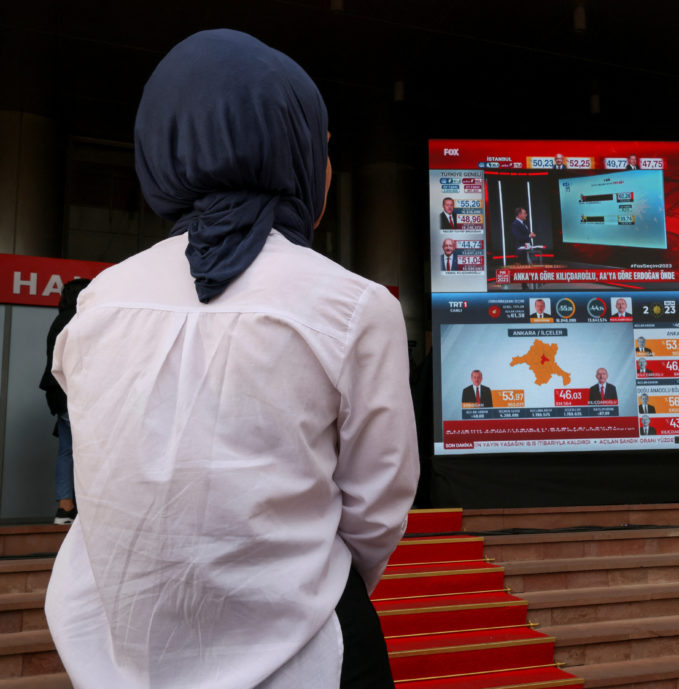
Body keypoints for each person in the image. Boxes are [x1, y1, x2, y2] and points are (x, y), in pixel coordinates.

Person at [44, 30, 419, 689]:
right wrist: (293, 586)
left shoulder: (96, 303)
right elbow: (376, 509)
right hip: (312, 660)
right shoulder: (356, 307)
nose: (327, 168)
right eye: (321, 148)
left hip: (108, 658)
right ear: (291, 152)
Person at [39, 278, 91, 525]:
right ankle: (85, 508)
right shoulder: (77, 319)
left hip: (61, 394)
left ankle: (65, 508)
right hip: (74, 393)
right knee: (87, 449)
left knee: (68, 450)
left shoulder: (60, 320)